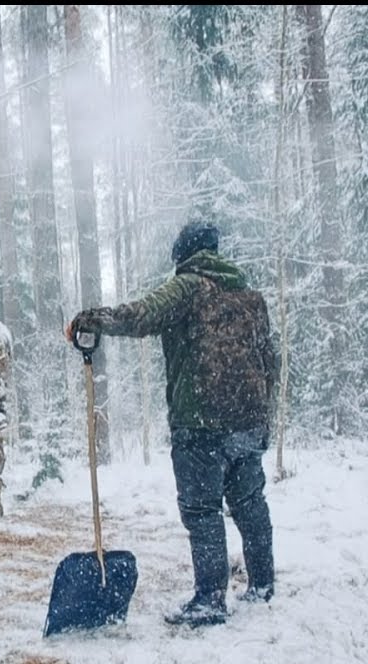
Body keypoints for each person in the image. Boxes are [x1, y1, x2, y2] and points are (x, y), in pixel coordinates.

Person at [65, 220, 277, 628]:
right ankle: (263, 584)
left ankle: (210, 599)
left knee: (202, 511)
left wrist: (90, 320)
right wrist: (263, 418)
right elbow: (270, 359)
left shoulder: (188, 287)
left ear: (184, 254)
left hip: (201, 423)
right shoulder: (251, 298)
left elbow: (140, 315)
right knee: (250, 504)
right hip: (248, 422)